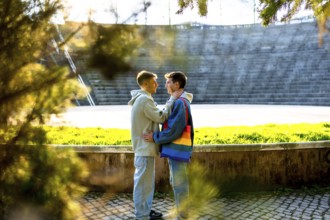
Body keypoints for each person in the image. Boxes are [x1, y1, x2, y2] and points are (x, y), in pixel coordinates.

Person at [128, 70, 181, 220]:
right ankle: (142, 215)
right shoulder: (145, 100)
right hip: (144, 150)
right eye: (153, 82)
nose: (157, 85)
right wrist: (172, 99)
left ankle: (145, 211)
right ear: (145, 84)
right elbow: (161, 117)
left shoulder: (143, 98)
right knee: (143, 186)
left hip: (143, 150)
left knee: (145, 185)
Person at [143, 71, 194, 220]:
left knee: (180, 184)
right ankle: (181, 213)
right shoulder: (178, 101)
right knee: (177, 182)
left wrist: (155, 137)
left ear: (176, 84)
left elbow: (174, 130)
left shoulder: (180, 103)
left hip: (177, 149)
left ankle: (183, 216)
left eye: (168, 82)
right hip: (174, 149)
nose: (165, 85)